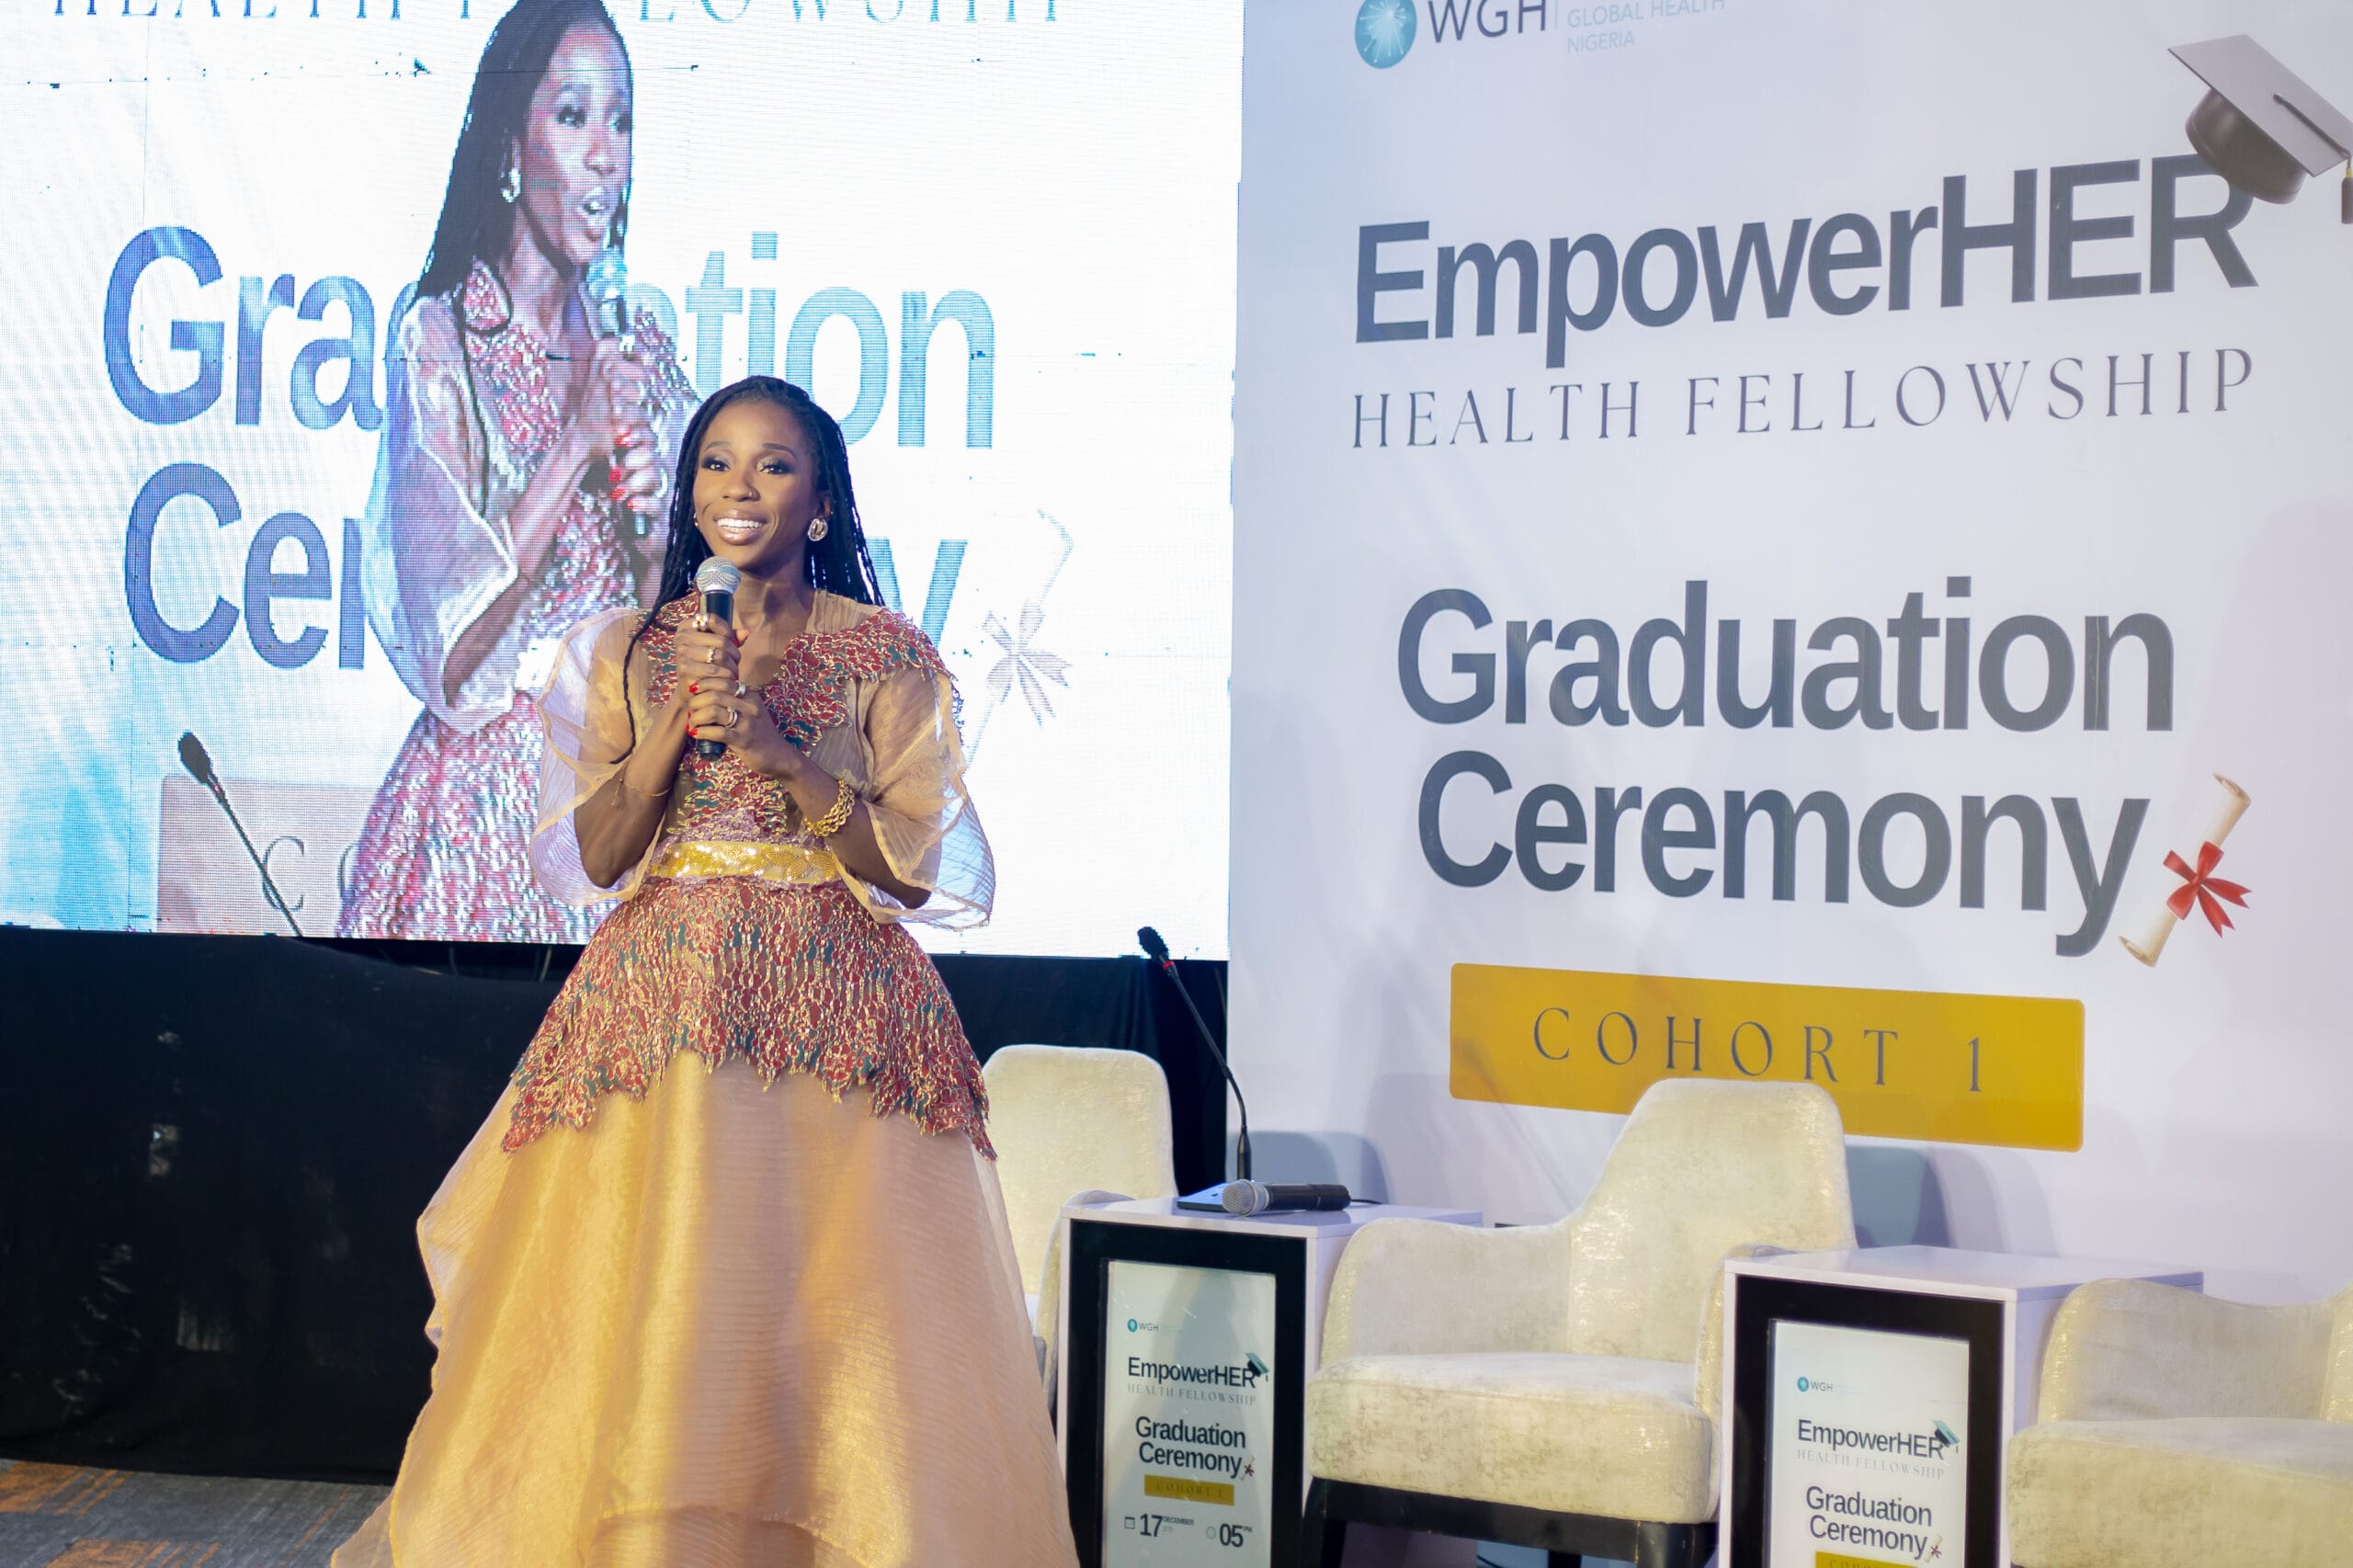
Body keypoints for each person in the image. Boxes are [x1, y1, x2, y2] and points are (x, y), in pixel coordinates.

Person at [330, 376, 1078, 1567]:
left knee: (834, 1335)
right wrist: (677, 726)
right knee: (672, 1313)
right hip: (664, 1020)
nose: (740, 485)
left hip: (839, 1033)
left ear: (820, 501)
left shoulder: (886, 656)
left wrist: (779, 748)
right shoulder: (633, 647)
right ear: (687, 495)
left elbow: (908, 870)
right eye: (716, 462)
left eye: (773, 464)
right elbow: (597, 854)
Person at [338, 0, 692, 942]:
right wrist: (575, 446)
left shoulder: (640, 349)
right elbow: (449, 656)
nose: (605, 156)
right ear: (507, 147)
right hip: (485, 811)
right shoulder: (442, 341)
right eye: (574, 116)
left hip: (619, 800)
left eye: (621, 121)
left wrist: (655, 546)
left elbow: (681, 647)